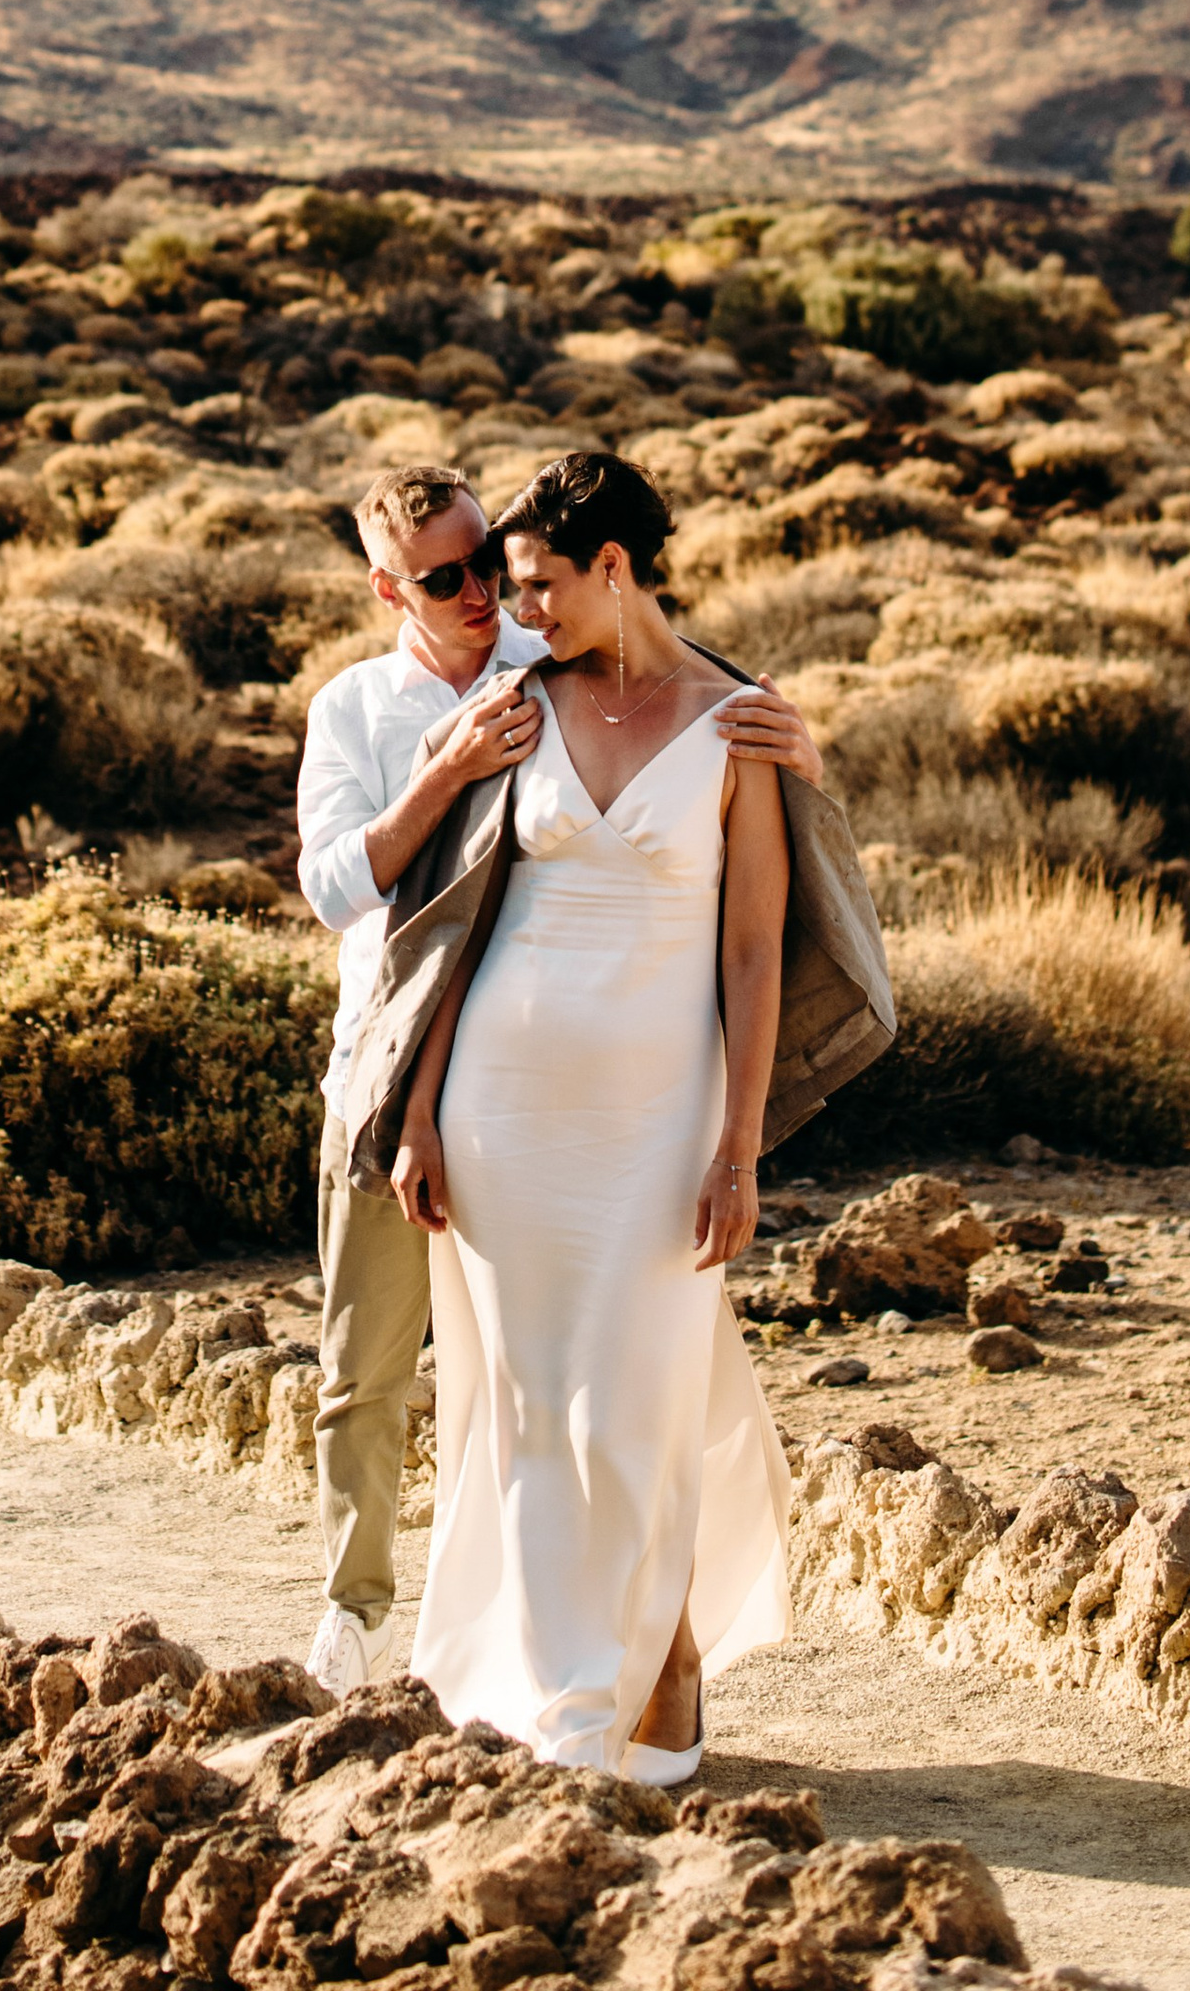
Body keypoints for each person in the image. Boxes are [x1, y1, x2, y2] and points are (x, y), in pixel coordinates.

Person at [295, 458, 826, 1702]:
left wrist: (804, 752)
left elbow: (755, 931)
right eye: (457, 577)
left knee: (631, 1389)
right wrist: (419, 1104)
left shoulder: (636, 692)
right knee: (423, 1383)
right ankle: (385, 1623)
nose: (494, 596)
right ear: (392, 587)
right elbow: (397, 908)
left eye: (506, 568)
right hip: (443, 1086)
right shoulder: (424, 709)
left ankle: (652, 1662)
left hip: (642, 1106)